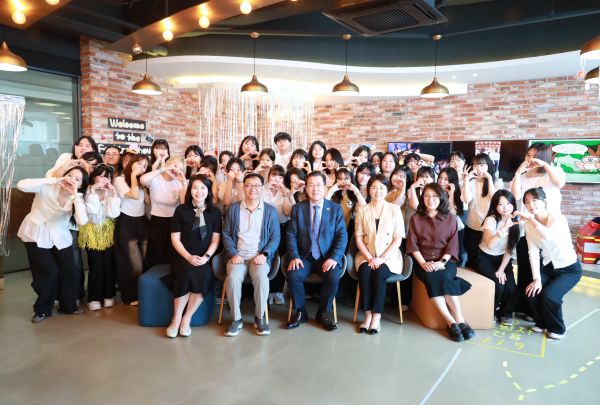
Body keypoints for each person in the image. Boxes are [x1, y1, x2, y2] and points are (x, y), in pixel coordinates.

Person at [17, 166, 89, 322]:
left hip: (59, 235)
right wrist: (54, 179)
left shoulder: (77, 198)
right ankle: (42, 310)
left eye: (77, 179)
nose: (72, 179)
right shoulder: (48, 186)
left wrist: (75, 196)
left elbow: (82, 221)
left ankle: (69, 306)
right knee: (48, 272)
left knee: (70, 270)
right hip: (35, 233)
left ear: (81, 185)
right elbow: (21, 185)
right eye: (70, 175)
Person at [407, 183, 475, 342]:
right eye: (426, 196)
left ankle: (460, 320)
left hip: (446, 260)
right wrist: (423, 263)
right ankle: (451, 322)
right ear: (422, 198)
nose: (430, 199)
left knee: (444, 277)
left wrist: (442, 262)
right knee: (432, 278)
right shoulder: (415, 218)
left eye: (434, 196)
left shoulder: (451, 218)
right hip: (423, 261)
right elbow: (412, 245)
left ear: (441, 198)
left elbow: (453, 244)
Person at [285, 171, 348, 331]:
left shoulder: (335, 209)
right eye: (311, 185)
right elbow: (291, 235)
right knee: (293, 274)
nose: (315, 189)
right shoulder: (298, 208)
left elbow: (342, 236)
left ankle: (323, 312)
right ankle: (300, 311)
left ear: (325, 187)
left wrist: (334, 257)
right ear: (306, 188)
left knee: (333, 276)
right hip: (304, 256)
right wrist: (294, 256)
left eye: (319, 185)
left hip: (326, 256)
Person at [516, 187, 581, 340]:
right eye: (527, 202)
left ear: (544, 201)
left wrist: (530, 219)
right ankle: (542, 322)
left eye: (534, 200)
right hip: (548, 267)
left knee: (550, 296)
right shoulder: (528, 225)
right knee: (531, 292)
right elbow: (533, 252)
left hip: (569, 269)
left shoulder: (558, 219)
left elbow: (548, 236)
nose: (531, 205)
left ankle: (558, 328)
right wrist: (537, 279)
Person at [510, 142, 565, 319]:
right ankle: (526, 307)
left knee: (543, 271)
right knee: (525, 269)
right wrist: (518, 172)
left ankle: (541, 311)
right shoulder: (524, 176)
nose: (530, 159)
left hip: (548, 228)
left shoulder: (553, 172)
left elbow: (559, 183)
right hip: (527, 227)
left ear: (543, 158)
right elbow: (516, 196)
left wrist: (545, 165)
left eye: (535, 156)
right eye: (528, 155)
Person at [221, 173, 280, 337]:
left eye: (256, 185)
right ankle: (236, 319)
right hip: (237, 257)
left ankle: (259, 318)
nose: (252, 188)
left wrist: (265, 254)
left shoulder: (270, 211)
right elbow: (226, 234)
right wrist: (233, 253)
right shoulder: (233, 209)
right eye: (248, 185)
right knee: (233, 277)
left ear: (262, 188)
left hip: (259, 257)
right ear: (243, 187)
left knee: (261, 277)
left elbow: (275, 237)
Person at [166, 174, 221, 338]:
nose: (199, 191)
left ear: (208, 191)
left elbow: (215, 240)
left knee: (204, 273)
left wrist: (206, 257)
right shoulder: (181, 210)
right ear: (190, 190)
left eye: (203, 188)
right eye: (195, 188)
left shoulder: (215, 212)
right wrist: (189, 257)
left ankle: (186, 319)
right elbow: (175, 239)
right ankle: (176, 318)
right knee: (186, 271)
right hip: (182, 254)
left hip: (204, 256)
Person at [354, 174, 405, 334]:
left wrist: (382, 258)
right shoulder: (362, 210)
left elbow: (397, 239)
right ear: (369, 190)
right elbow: (358, 238)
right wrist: (370, 258)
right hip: (367, 255)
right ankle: (367, 315)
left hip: (389, 257)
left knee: (379, 274)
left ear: (387, 189)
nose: (378, 191)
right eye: (374, 188)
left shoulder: (394, 209)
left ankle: (376, 317)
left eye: (381, 188)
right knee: (365, 272)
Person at [79, 164, 121, 311]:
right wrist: (92, 190)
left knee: (109, 265)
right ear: (94, 177)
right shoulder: (86, 191)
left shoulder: (111, 193)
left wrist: (114, 194)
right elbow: (92, 210)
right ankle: (94, 297)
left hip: (108, 233)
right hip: (91, 232)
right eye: (101, 176)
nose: (105, 180)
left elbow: (113, 214)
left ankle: (109, 295)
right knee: (96, 266)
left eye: (108, 177)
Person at [477, 190, 520, 325]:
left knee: (511, 287)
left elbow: (509, 249)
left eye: (508, 203)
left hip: (503, 259)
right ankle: (492, 311)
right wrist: (503, 229)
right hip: (485, 257)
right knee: (499, 285)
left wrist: (501, 270)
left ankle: (506, 313)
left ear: (513, 204)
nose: (505, 207)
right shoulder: (491, 220)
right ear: (495, 206)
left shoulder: (516, 223)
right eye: (501, 204)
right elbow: (490, 245)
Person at [113, 154, 149, 305]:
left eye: (145, 166)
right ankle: (129, 296)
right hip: (126, 222)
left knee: (145, 261)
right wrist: (134, 175)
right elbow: (133, 195)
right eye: (139, 163)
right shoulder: (119, 179)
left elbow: (147, 201)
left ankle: (144, 294)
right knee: (132, 263)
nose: (142, 167)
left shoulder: (140, 181)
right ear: (132, 163)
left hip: (142, 221)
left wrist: (144, 185)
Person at [140, 158, 186, 271]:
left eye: (180, 169)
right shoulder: (155, 179)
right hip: (157, 221)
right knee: (155, 253)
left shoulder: (179, 182)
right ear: (167, 165)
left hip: (174, 222)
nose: (176, 170)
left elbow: (184, 204)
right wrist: (163, 169)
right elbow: (143, 180)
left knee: (171, 253)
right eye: (175, 166)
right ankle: (151, 277)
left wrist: (183, 183)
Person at [462, 153, 498, 269]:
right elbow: (466, 200)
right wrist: (466, 180)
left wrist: (489, 179)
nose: (478, 169)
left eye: (482, 165)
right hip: (472, 226)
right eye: (475, 166)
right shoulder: (471, 182)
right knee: (471, 256)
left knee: (484, 259)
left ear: (489, 166)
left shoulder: (497, 182)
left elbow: (494, 200)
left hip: (488, 227)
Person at [261, 165, 290, 305]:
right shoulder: (261, 189)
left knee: (280, 257)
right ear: (268, 176)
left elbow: (287, 212)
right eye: (273, 175)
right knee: (267, 257)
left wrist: (285, 194)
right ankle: (265, 290)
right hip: (263, 228)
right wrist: (265, 187)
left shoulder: (286, 191)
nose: (276, 179)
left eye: (280, 176)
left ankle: (277, 290)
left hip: (281, 227)